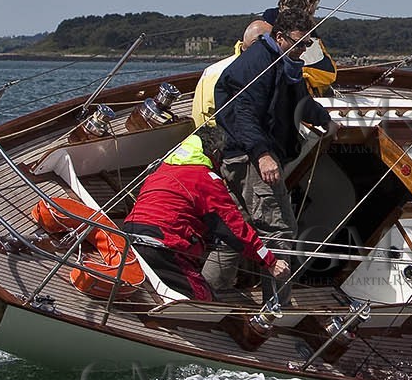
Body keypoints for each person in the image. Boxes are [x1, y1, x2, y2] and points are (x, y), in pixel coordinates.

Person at [206, 0, 331, 293]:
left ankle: (211, 291)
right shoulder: (258, 64)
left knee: (238, 230)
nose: (302, 50)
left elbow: (295, 100)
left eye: (306, 45)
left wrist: (320, 116)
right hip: (250, 158)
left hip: (247, 155)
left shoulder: (285, 63)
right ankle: (275, 306)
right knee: (280, 232)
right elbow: (242, 112)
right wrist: (262, 153)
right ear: (278, 37)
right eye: (298, 44)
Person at [122, 125, 291, 301]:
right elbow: (235, 230)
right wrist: (270, 261)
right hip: (164, 249)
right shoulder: (205, 179)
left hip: (130, 239)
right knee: (205, 301)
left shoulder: (161, 170)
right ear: (216, 152)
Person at [192, 18, 271, 127]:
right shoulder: (215, 73)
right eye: (273, 43)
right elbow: (204, 119)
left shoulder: (275, 68)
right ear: (256, 45)